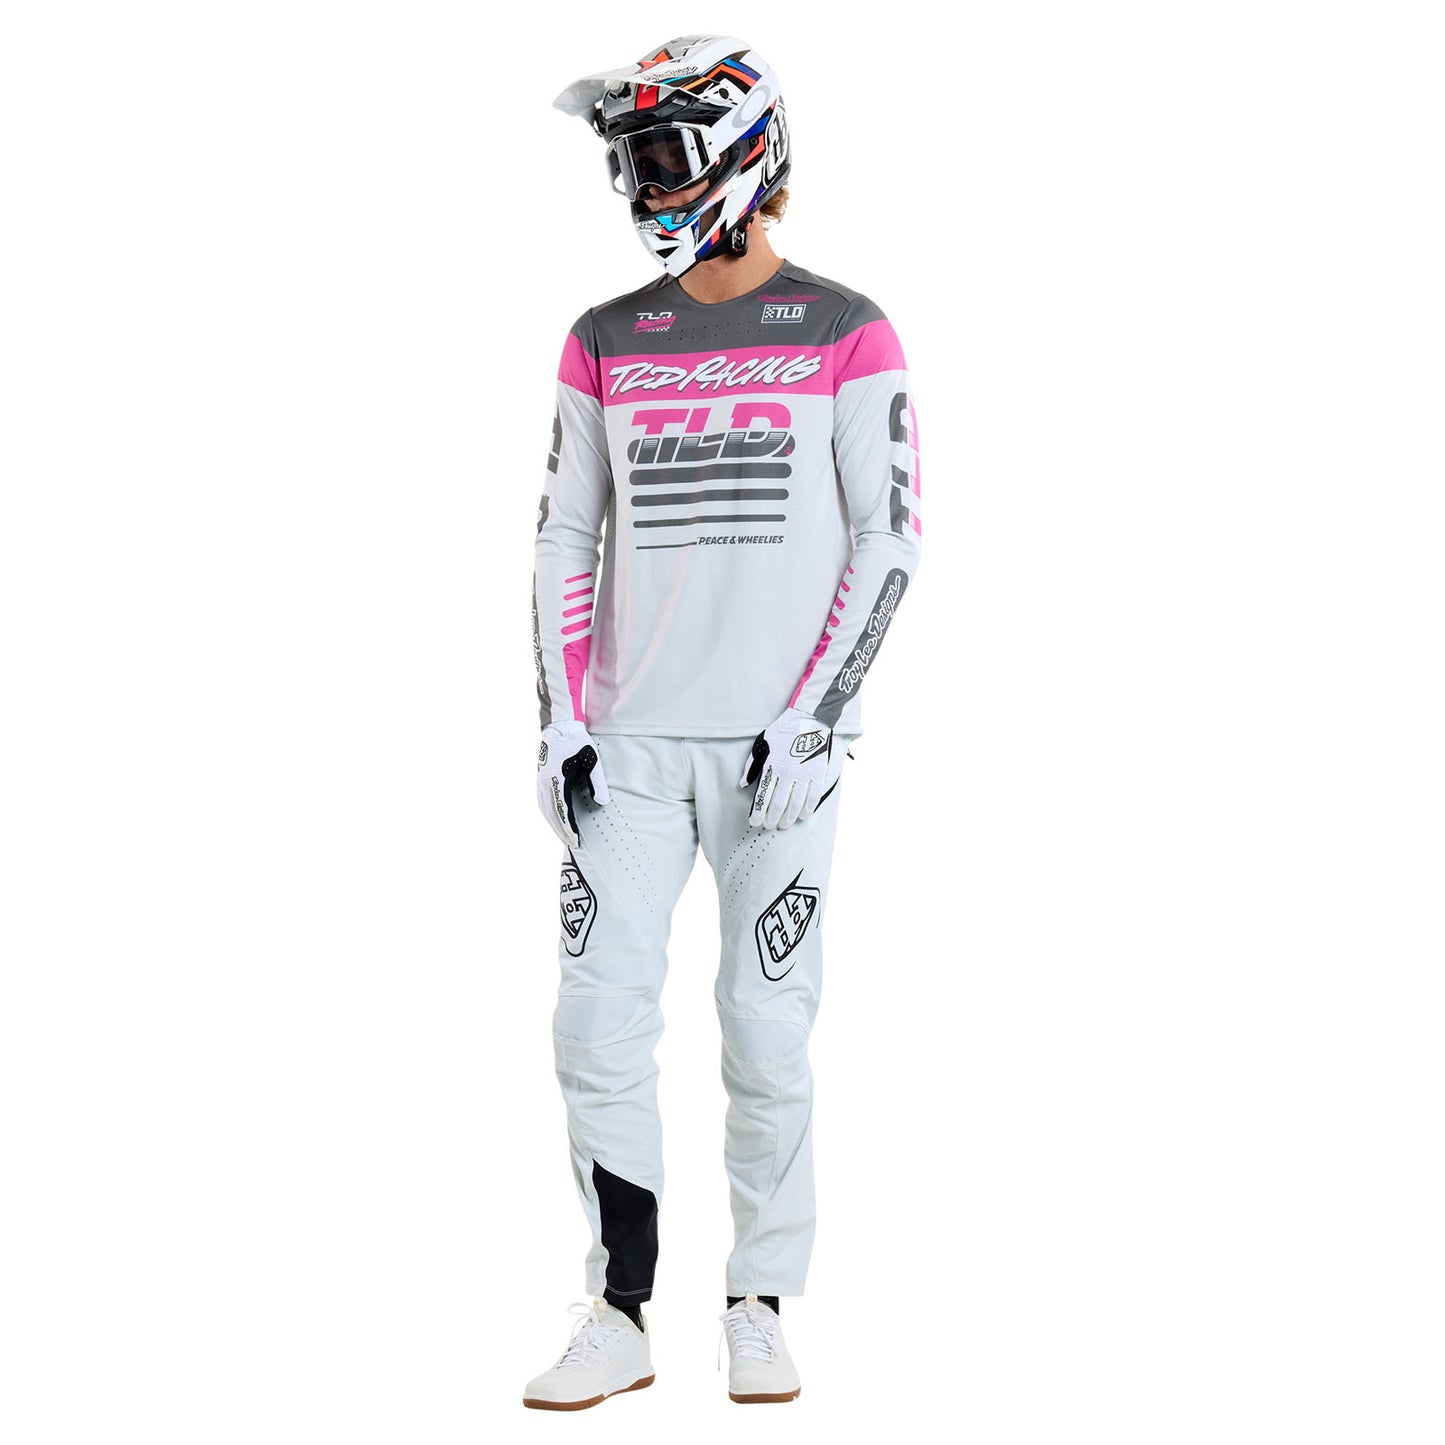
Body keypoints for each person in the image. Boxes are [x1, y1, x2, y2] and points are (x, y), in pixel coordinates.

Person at [524, 34, 922, 1410]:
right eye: (629, 161)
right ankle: (618, 1306)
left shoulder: (846, 328)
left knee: (764, 1026)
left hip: (777, 758)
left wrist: (817, 718)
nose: (643, 184)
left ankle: (757, 1300)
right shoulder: (602, 338)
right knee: (595, 1022)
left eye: (663, 155)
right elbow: (562, 535)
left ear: (745, 154)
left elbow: (890, 538)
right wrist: (558, 722)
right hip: (626, 753)